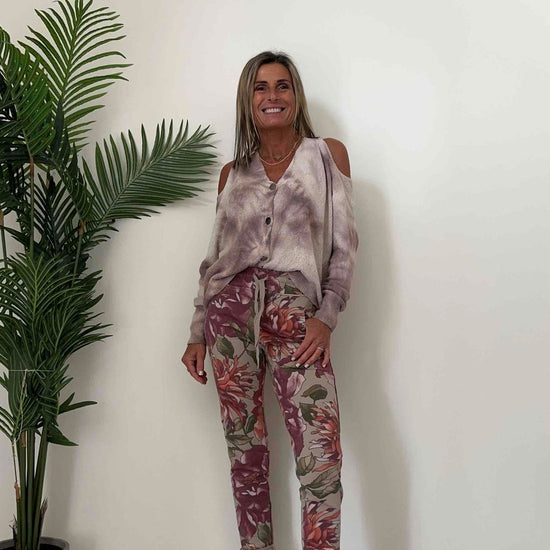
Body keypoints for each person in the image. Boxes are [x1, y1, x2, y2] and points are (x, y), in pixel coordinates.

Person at [181, 50, 358, 550]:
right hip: (229, 317)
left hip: (296, 315)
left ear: (295, 95)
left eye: (282, 86)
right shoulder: (232, 173)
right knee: (246, 456)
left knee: (320, 460)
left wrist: (326, 316)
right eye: (261, 87)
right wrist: (197, 332)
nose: (272, 95)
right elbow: (213, 259)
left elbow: (345, 248)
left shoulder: (327, 156)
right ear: (248, 99)